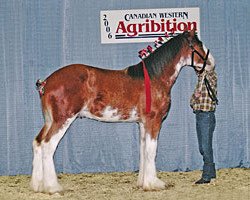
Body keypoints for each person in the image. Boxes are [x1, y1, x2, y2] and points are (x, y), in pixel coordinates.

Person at [190, 62, 218, 184]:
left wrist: (203, 62)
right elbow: (191, 102)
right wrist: (195, 97)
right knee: (203, 147)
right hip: (199, 115)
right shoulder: (199, 83)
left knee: (205, 147)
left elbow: (210, 68)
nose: (197, 70)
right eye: (196, 68)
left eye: (199, 67)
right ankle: (211, 172)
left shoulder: (211, 77)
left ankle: (206, 176)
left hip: (206, 115)